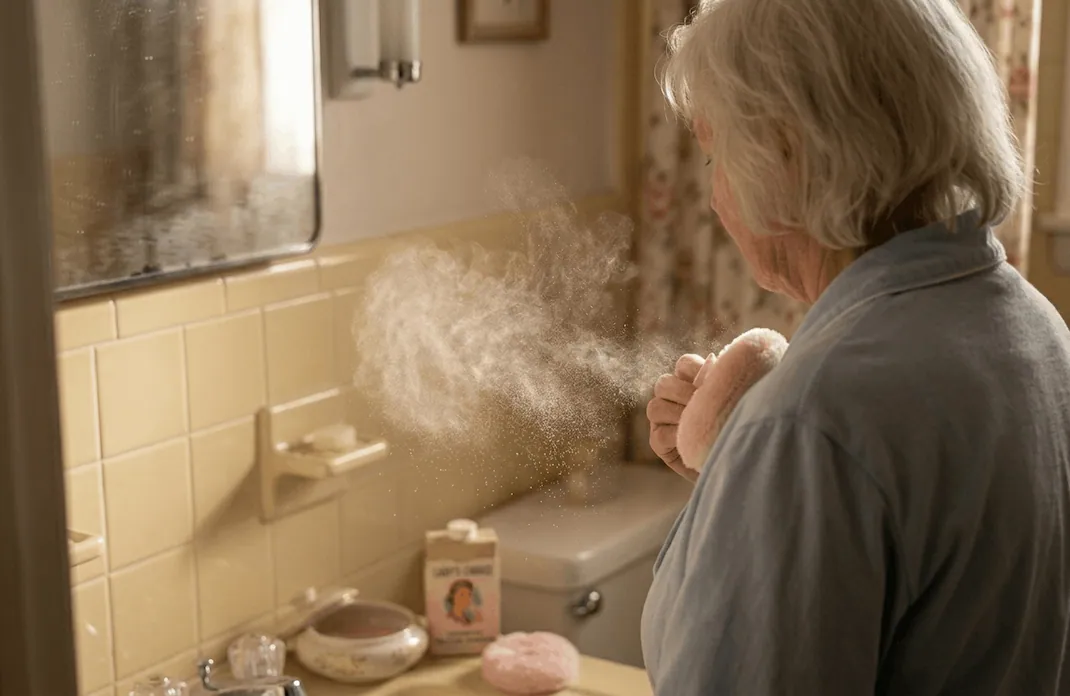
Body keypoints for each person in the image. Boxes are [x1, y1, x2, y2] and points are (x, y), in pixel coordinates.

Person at [641, 0, 1070, 693]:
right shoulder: (1035, 327)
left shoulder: (811, 420)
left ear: (785, 154)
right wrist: (741, 481)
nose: (716, 198)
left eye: (718, 155)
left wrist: (769, 459)